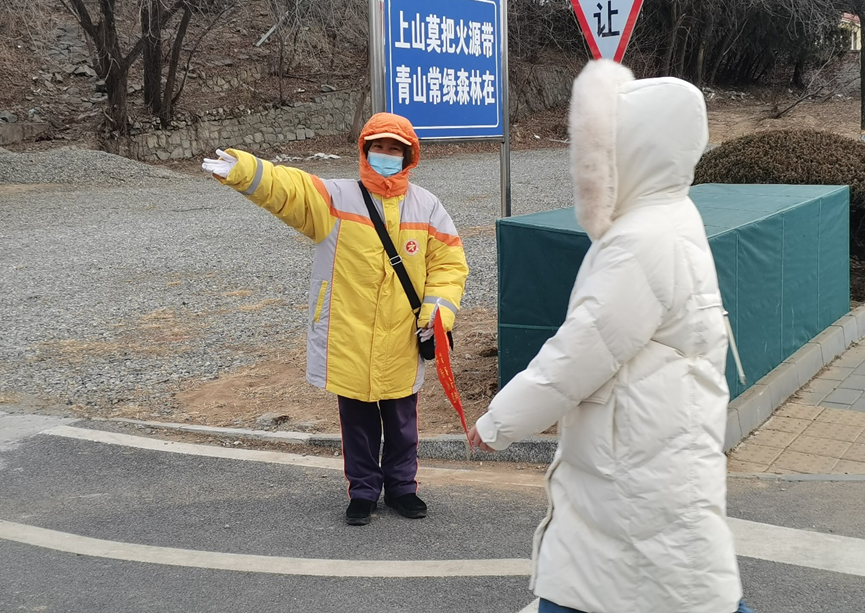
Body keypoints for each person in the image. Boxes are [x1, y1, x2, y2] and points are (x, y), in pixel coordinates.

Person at [468, 60, 749, 612]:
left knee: (644, 583)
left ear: (633, 151)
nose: (589, 166)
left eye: (600, 150)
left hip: (634, 461)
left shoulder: (640, 240)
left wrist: (499, 421)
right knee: (668, 580)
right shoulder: (673, 215)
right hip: (652, 446)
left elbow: (580, 352)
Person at [202, 112, 468, 526]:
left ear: (409, 156)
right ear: (365, 150)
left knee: (402, 421)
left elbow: (449, 265)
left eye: (395, 148)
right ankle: (363, 491)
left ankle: (402, 488)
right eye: (378, 146)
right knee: (357, 422)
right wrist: (245, 170)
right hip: (349, 334)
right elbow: (289, 188)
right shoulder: (335, 199)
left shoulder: (427, 206)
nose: (386, 154)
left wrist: (436, 316)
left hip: (401, 335)